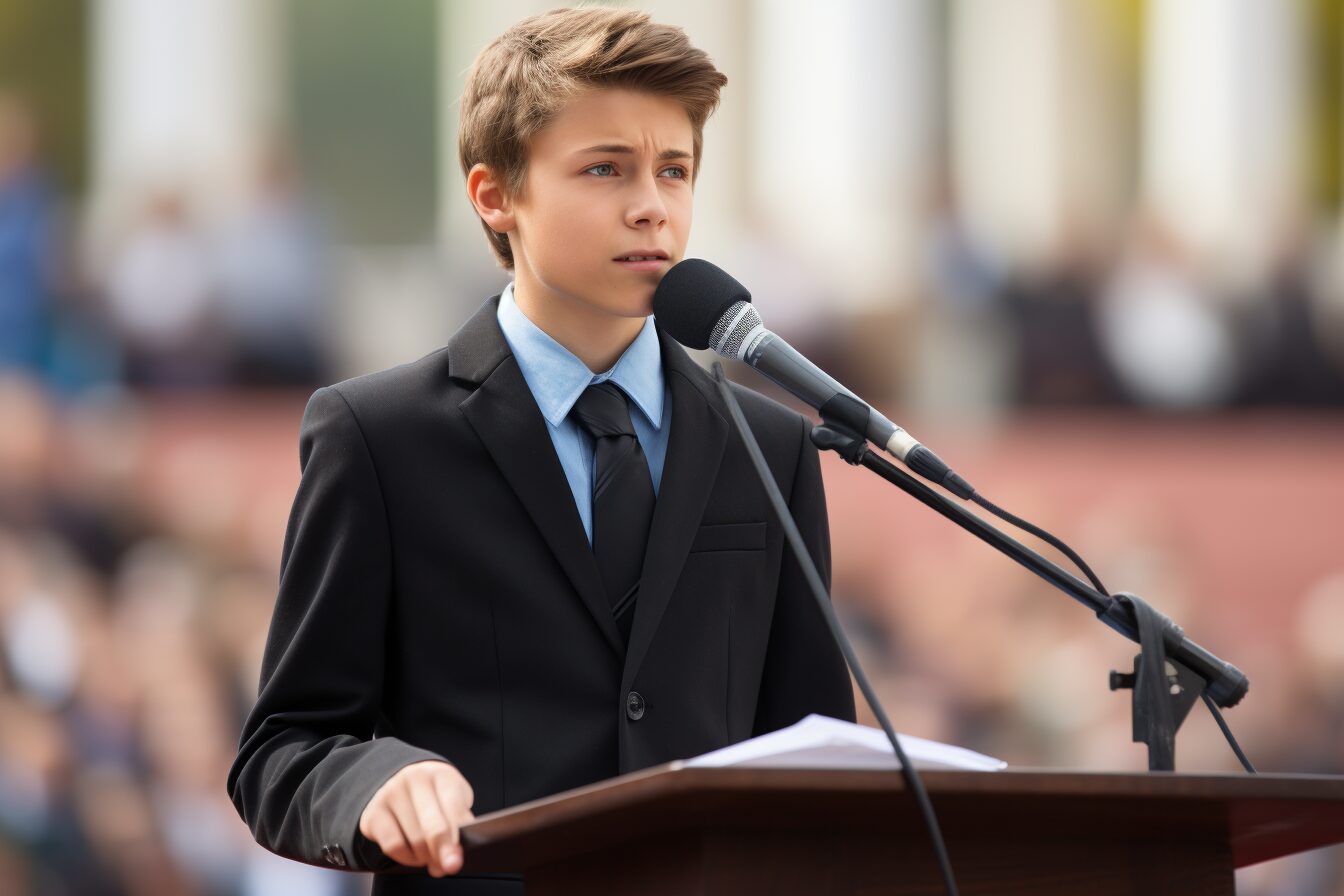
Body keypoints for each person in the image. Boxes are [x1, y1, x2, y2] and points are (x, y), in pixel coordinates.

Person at [226, 8, 855, 894]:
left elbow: (811, 755)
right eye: (605, 168)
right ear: (495, 196)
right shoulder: (377, 437)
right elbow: (283, 749)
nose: (652, 204)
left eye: (674, 170)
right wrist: (375, 784)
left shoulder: (771, 444)